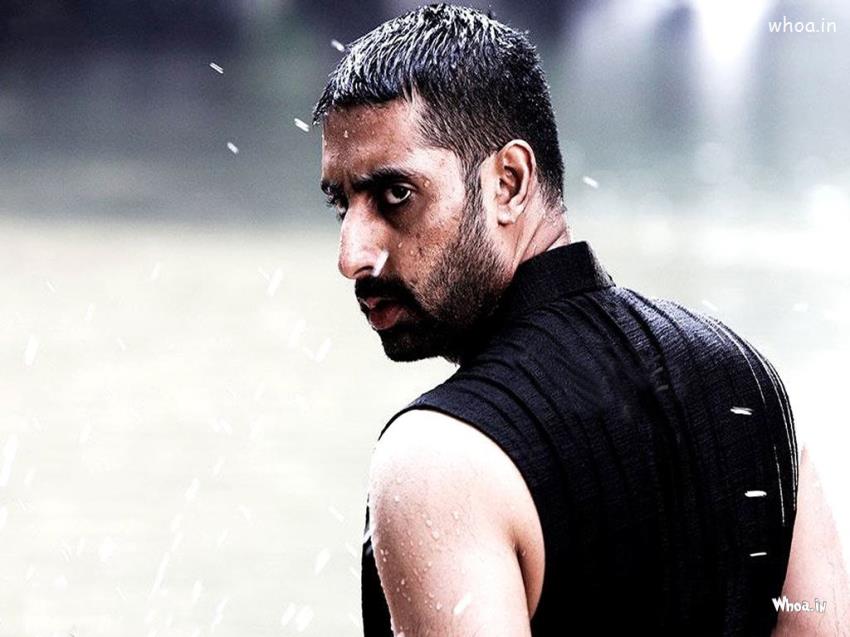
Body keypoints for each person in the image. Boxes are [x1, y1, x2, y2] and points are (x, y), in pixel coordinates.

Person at [311, 4, 848, 635]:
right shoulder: (750, 383)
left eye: (395, 195)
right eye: (342, 205)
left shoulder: (436, 460)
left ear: (509, 183)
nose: (352, 256)